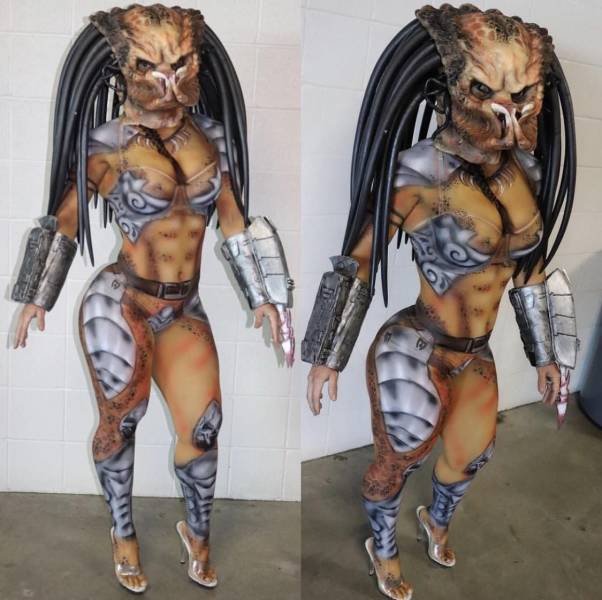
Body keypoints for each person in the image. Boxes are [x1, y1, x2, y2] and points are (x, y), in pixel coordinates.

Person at [11, 4, 294, 594]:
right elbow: (66, 216)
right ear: (124, 67)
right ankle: (123, 533)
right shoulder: (105, 143)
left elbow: (233, 218)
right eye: (150, 65)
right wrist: (38, 295)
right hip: (122, 301)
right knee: (122, 420)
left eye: (179, 62)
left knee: (205, 427)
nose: (167, 77)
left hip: (184, 307)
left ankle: (197, 532)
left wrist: (266, 295)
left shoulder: (212, 137)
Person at [302, 5, 578, 599]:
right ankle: (382, 545)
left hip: (476, 352)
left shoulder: (528, 174)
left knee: (471, 456)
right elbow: (358, 260)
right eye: (485, 91)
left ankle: (436, 520)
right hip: (417, 346)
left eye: (520, 96)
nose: (505, 110)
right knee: (398, 458)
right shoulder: (419, 171)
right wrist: (327, 354)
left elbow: (529, 269)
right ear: (452, 87)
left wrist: (548, 355)